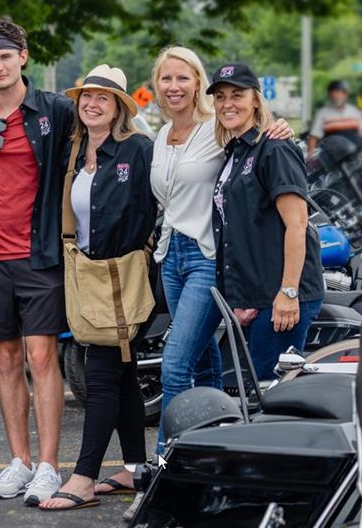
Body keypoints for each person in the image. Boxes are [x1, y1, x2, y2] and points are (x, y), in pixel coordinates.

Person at [149, 47, 294, 456]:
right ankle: (215, 449)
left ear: (198, 84)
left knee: (175, 366)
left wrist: (280, 127)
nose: (174, 86)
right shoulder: (161, 136)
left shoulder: (216, 127)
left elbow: (258, 135)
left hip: (206, 257)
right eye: (166, 78)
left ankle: (167, 461)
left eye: (183, 78)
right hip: (171, 256)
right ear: (156, 86)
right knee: (202, 362)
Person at [0, 17, 71, 505]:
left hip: (38, 254)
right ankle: (19, 461)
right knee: (5, 359)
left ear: (23, 57)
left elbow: (107, 131)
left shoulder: (56, 111)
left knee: (41, 356)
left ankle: (49, 465)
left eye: (5, 56)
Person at [39, 65, 154, 514]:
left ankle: (84, 477)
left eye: (102, 99)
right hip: (86, 272)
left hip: (125, 275)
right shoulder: (73, 151)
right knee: (123, 374)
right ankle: (135, 469)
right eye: (86, 97)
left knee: (102, 374)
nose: (91, 104)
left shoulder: (138, 149)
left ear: (120, 107)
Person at [208, 63, 325, 377]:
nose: (227, 103)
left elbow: (297, 224)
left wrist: (288, 293)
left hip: (283, 295)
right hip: (259, 295)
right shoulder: (236, 151)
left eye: (237, 94)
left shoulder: (273, 148)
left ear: (256, 99)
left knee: (276, 397)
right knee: (263, 392)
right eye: (220, 96)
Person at [307, 79, 362, 156]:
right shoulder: (323, 113)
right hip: (333, 158)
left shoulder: (354, 111)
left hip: (356, 155)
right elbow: (314, 137)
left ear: (345, 95)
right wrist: (310, 157)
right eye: (335, 93)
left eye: (340, 93)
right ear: (330, 95)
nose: (338, 96)